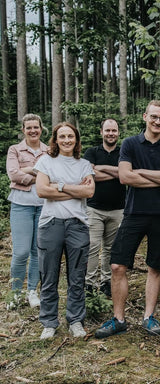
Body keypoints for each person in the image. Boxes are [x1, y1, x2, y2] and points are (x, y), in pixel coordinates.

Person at [95, 100, 160, 338]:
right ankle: (118, 319)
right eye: (154, 116)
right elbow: (124, 177)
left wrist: (140, 173)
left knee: (155, 266)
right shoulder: (131, 143)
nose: (158, 121)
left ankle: (148, 317)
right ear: (145, 116)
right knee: (117, 265)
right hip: (133, 212)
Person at [35, 122, 95, 339]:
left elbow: (89, 191)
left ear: (76, 139)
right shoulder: (45, 162)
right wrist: (73, 189)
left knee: (77, 276)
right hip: (51, 224)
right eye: (62, 136)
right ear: (55, 139)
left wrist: (58, 186)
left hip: (77, 225)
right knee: (49, 275)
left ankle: (75, 320)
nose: (67, 140)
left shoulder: (84, 164)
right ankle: (49, 322)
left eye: (71, 136)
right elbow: (42, 190)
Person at [6, 114, 48, 309]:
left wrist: (27, 171)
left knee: (38, 252)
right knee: (21, 252)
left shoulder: (49, 151)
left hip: (44, 206)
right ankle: (15, 292)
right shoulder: (15, 150)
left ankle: (32, 290)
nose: (33, 130)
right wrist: (36, 172)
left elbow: (52, 175)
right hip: (21, 205)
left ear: (41, 128)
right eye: (28, 127)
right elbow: (13, 174)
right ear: (23, 130)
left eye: (36, 127)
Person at [83, 119, 126, 297]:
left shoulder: (124, 152)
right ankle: (89, 283)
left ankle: (107, 281)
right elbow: (89, 175)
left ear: (118, 133)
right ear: (101, 132)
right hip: (94, 208)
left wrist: (101, 169)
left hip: (118, 209)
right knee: (92, 246)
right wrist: (116, 172)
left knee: (111, 248)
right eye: (107, 130)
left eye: (114, 130)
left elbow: (125, 176)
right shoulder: (91, 152)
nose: (111, 133)